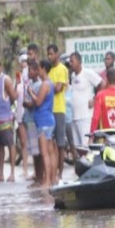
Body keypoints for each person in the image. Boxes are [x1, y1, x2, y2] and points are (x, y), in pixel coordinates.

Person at [27, 59, 58, 189]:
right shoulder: (50, 84)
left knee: (44, 152)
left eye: (39, 69)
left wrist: (31, 93)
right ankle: (51, 179)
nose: (38, 72)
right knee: (50, 152)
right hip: (48, 120)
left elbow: (38, 102)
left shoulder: (45, 84)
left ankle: (47, 181)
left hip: (43, 121)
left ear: (44, 69)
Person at [65, 51, 102, 155]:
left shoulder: (87, 73)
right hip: (74, 116)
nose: (70, 64)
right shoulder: (72, 75)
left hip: (85, 116)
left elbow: (102, 83)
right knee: (77, 148)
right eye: (70, 62)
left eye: (72, 61)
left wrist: (95, 99)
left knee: (86, 146)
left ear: (79, 61)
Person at [0, 58, 17, 182]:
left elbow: (13, 97)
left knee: (10, 145)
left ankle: (12, 173)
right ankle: (1, 172)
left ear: (0, 67)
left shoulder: (5, 80)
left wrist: (11, 113)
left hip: (6, 118)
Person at [45, 45, 70, 177]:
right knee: (51, 142)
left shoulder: (62, 69)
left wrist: (48, 87)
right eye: (48, 54)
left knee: (60, 143)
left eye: (51, 54)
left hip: (59, 109)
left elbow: (58, 88)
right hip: (49, 109)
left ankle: (60, 172)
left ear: (57, 54)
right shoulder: (49, 70)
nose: (49, 56)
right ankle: (52, 172)